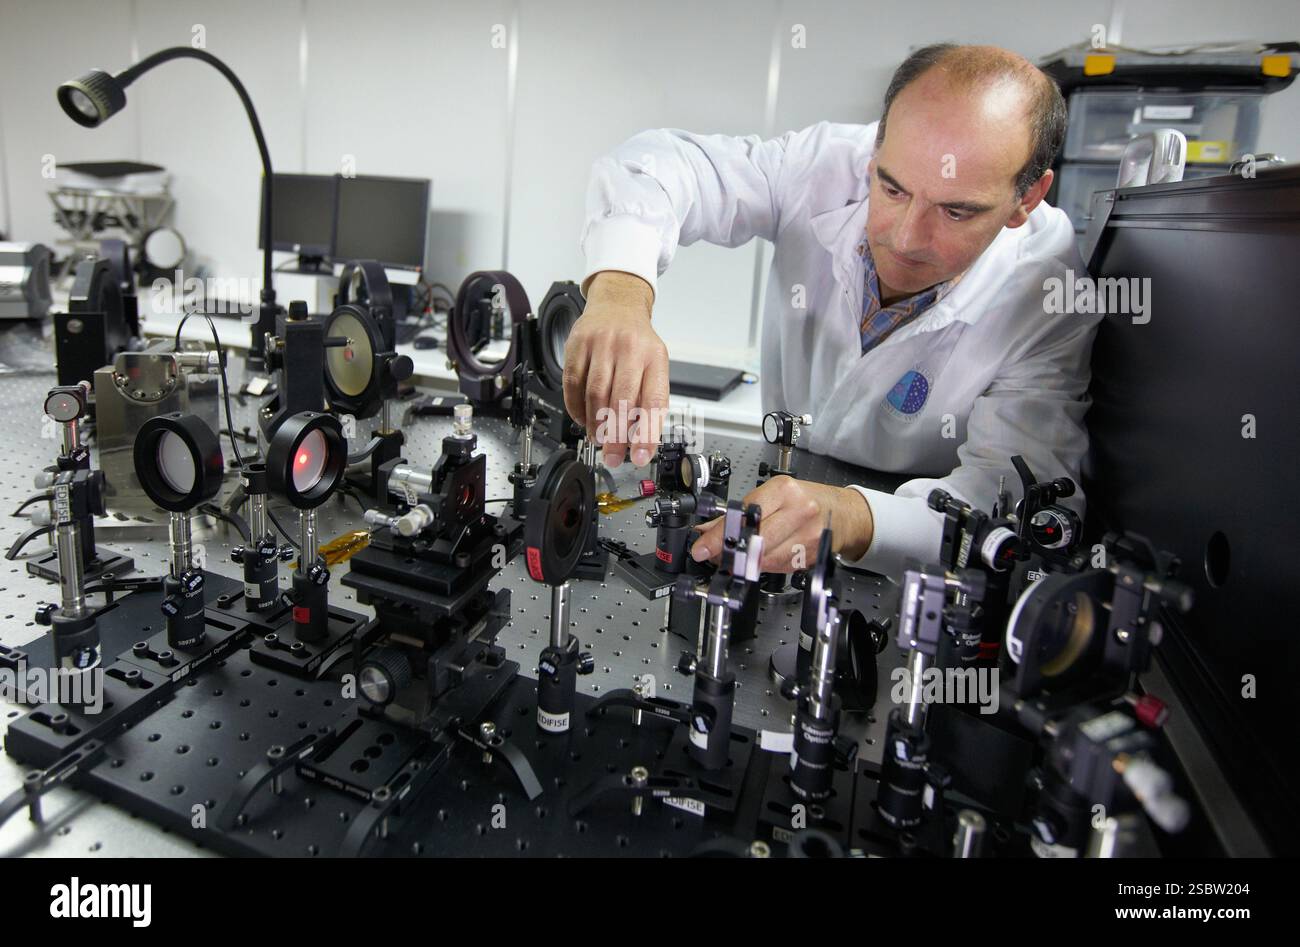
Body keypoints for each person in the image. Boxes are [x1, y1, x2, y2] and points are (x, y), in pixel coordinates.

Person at [563, 43, 1101, 576]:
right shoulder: (825, 165)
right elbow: (656, 165)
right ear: (875, 149)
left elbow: (1012, 502)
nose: (907, 238)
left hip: (911, 539)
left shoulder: (1050, 292)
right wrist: (620, 293)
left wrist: (852, 516)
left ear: (1026, 200)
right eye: (892, 188)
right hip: (779, 474)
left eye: (957, 212)